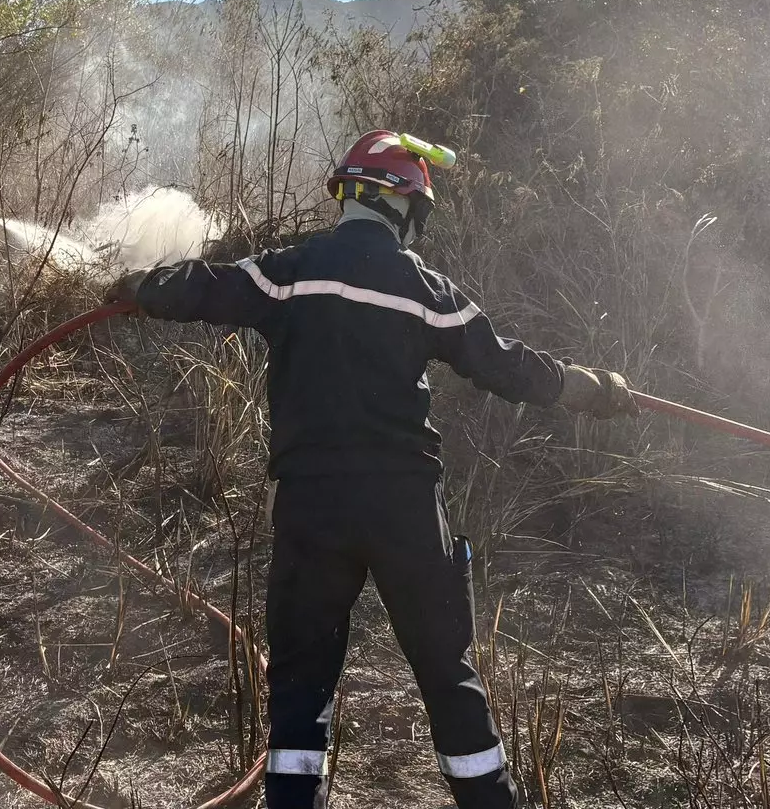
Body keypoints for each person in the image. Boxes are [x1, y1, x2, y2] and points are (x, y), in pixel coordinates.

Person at [105, 130, 639, 809]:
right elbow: (506, 364)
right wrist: (591, 388)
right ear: (404, 204)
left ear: (352, 196)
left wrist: (137, 285)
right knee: (446, 672)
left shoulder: (290, 270)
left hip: (312, 507)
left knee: (301, 685)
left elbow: (205, 288)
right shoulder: (426, 289)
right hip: (404, 509)